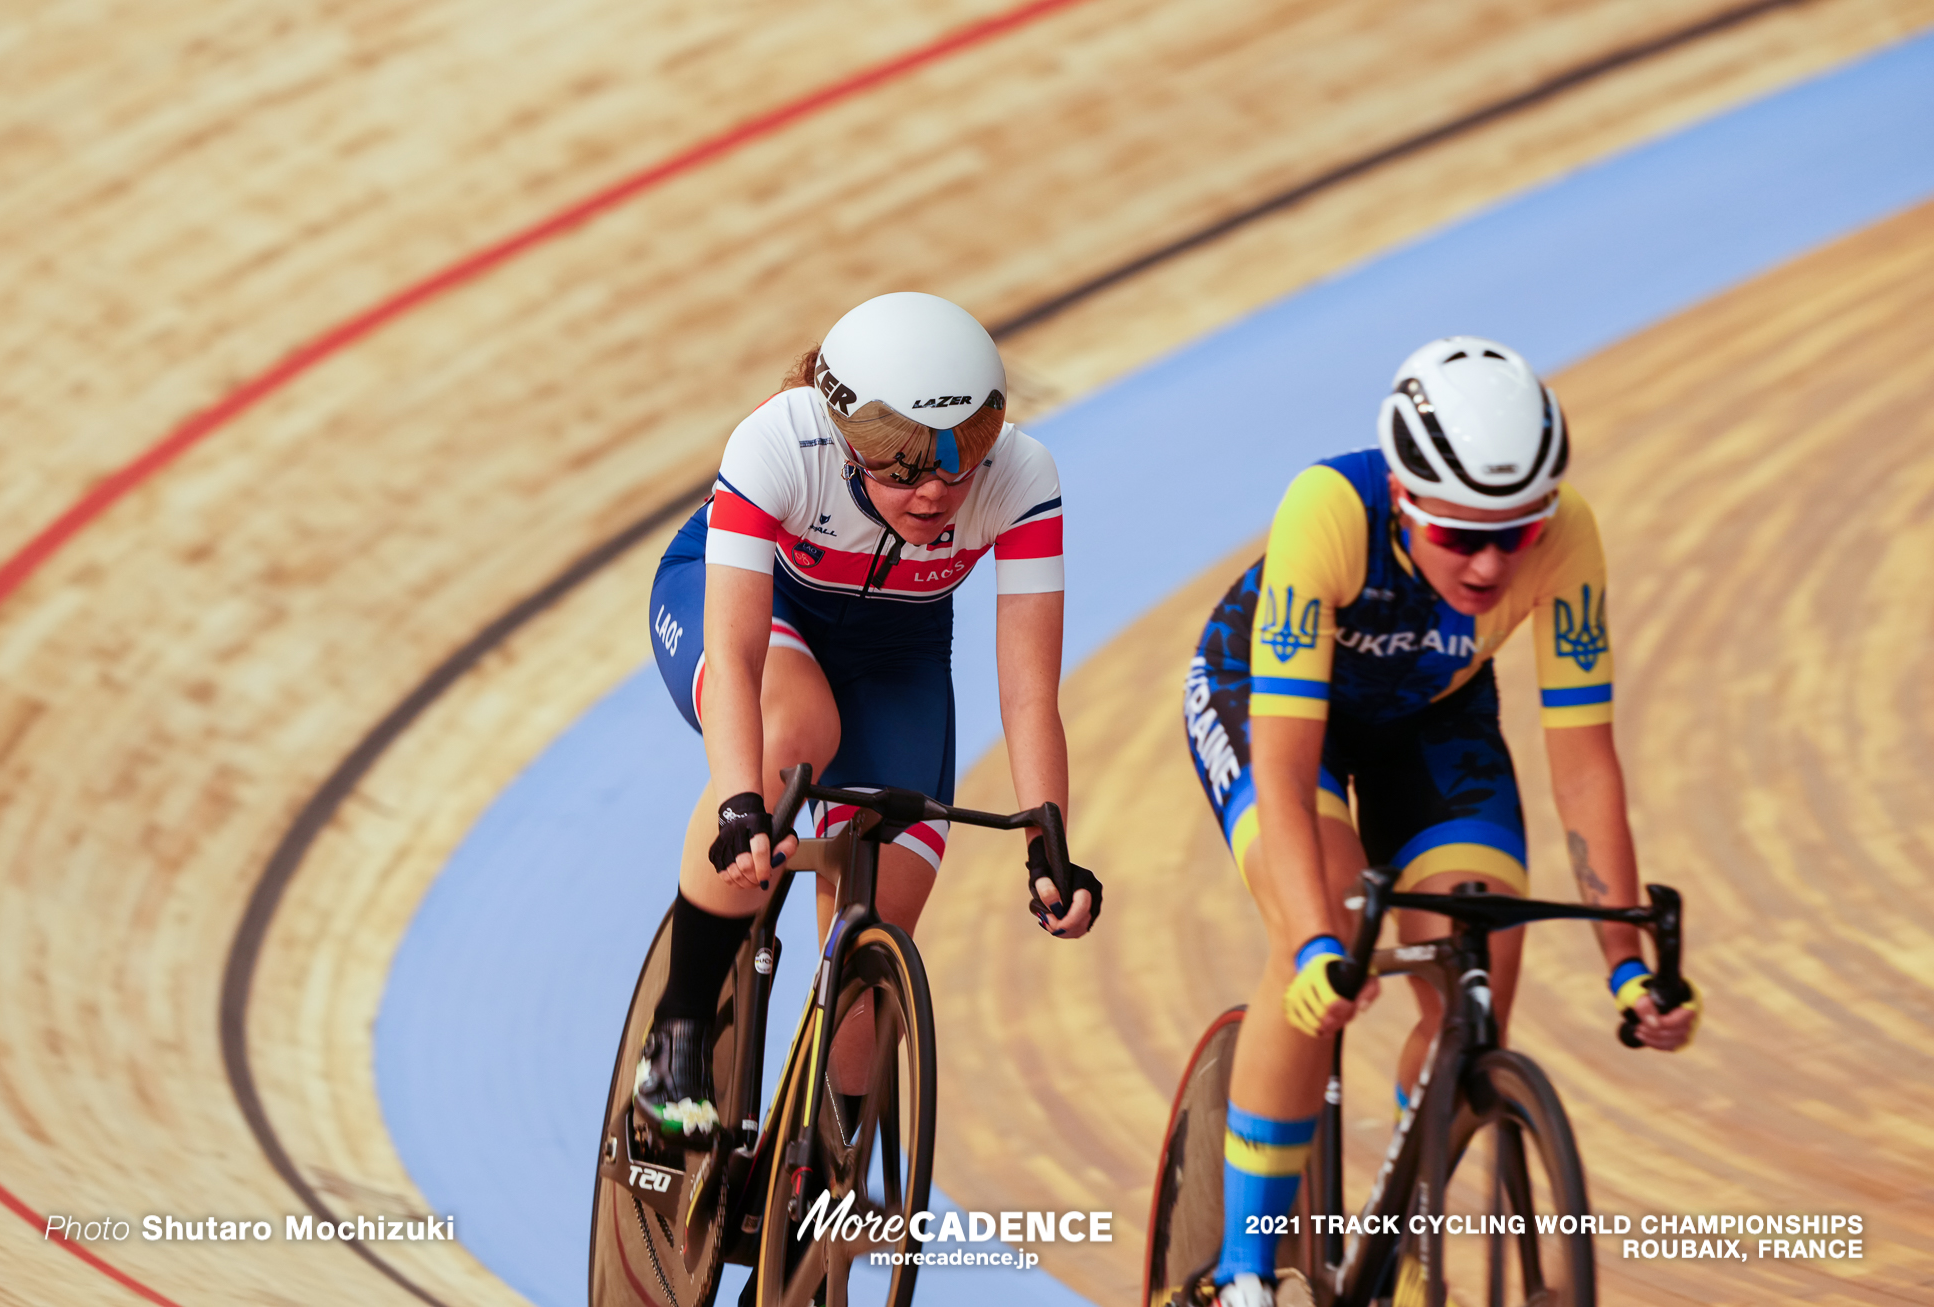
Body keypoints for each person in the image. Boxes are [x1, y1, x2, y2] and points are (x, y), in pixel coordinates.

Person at [1180, 337, 1702, 1307]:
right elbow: (1289, 775)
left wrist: (1628, 965)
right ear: (1405, 498)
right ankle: (1245, 1268)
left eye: (1519, 531)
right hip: (1275, 701)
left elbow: (1585, 771)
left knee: (1477, 957)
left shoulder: (1570, 535)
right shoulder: (1331, 509)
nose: (1493, 561)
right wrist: (1308, 948)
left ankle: (1408, 1246)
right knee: (1329, 919)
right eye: (1461, 535)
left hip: (1432, 713)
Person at [636, 291, 1101, 1138]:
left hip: (897, 655)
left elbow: (1031, 692)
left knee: (875, 939)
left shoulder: (1023, 479)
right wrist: (743, 801)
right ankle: (681, 1024)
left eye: (957, 463)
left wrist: (1049, 844)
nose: (933, 493)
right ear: (850, 441)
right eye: (901, 466)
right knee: (797, 728)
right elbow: (736, 657)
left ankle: (815, 1189)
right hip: (755, 608)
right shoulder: (780, 442)